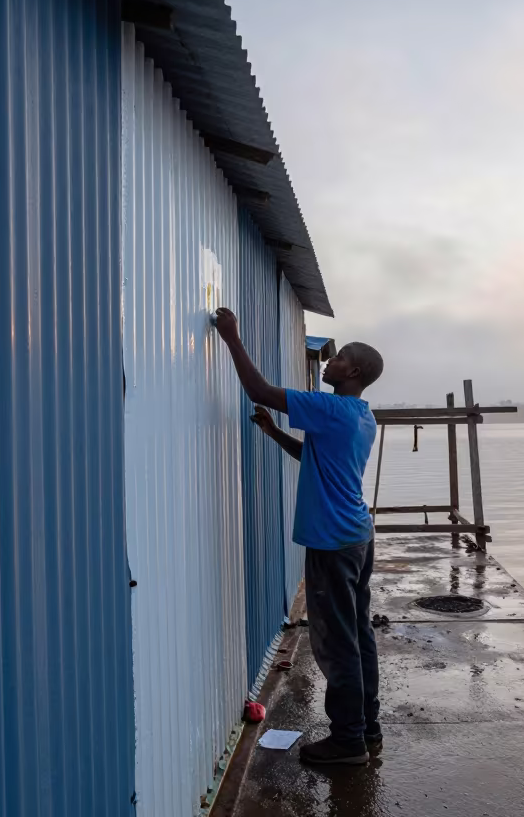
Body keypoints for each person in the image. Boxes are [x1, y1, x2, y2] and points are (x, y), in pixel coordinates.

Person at [214, 307, 385, 766]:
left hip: (333, 542)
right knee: (359, 635)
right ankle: (368, 727)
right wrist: (273, 433)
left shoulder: (329, 407)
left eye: (339, 356)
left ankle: (347, 742)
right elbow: (315, 459)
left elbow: (259, 390)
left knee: (336, 644)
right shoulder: (360, 416)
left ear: (353, 371)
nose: (328, 361)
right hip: (356, 537)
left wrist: (231, 336)